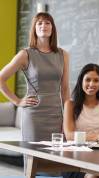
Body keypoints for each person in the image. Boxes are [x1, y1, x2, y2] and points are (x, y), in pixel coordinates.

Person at [0, 12, 70, 142]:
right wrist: (17, 102)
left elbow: (65, 90)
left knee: (56, 159)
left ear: (52, 28)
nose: (44, 25)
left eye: (47, 23)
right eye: (40, 23)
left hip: (56, 115)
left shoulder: (63, 55)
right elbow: (1, 79)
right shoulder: (25, 54)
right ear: (34, 29)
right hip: (33, 116)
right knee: (33, 158)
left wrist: (68, 118)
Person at [63, 63, 99, 178]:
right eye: (88, 80)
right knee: (95, 175)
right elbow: (69, 135)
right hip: (75, 159)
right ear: (81, 82)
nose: (91, 84)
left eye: (96, 80)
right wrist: (96, 137)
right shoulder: (70, 104)